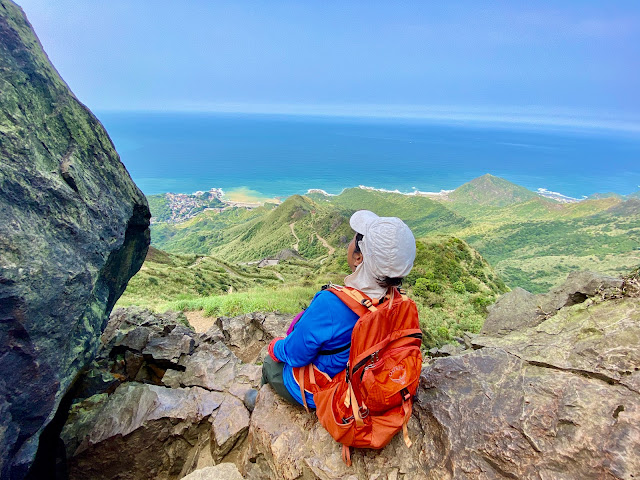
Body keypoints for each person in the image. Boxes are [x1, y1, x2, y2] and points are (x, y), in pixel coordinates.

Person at [244, 209, 416, 411]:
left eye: (354, 240)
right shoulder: (399, 301)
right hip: (368, 378)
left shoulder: (331, 304)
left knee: (270, 363)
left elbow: (298, 355)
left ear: (358, 257)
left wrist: (275, 346)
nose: (349, 244)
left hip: (328, 389)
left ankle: (261, 404)